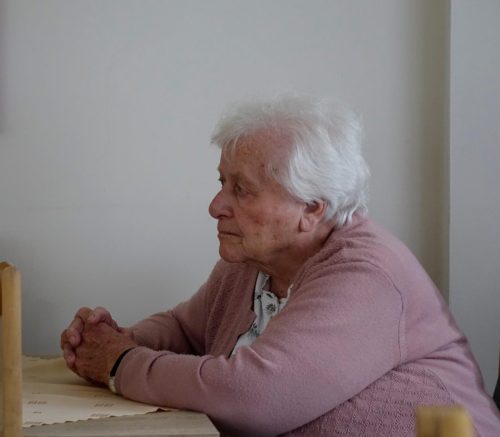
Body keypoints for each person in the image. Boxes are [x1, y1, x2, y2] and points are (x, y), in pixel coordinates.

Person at [60, 95, 500, 436]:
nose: (216, 206)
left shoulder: (366, 275)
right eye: (222, 183)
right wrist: (119, 339)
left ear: (311, 208)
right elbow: (187, 330)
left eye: (242, 190)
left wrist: (120, 364)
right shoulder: (252, 260)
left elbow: (254, 399)